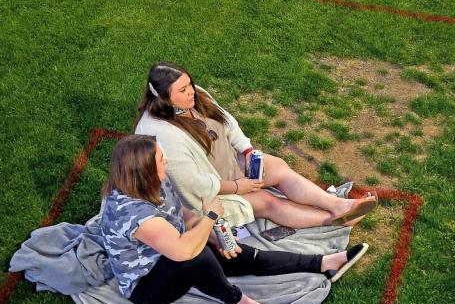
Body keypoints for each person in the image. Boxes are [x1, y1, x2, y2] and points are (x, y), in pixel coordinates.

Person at [100, 135, 369, 304]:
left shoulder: (155, 181)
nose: (166, 161)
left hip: (175, 250)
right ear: (145, 170)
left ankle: (322, 263)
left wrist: (212, 233)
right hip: (147, 285)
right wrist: (211, 217)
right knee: (195, 255)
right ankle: (238, 302)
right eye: (161, 159)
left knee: (239, 252)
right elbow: (182, 251)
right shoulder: (133, 213)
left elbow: (180, 213)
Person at [134, 62, 377, 228]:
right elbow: (192, 186)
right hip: (205, 195)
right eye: (183, 90)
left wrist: (247, 152)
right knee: (267, 202)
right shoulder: (163, 133)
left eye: (190, 85)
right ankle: (330, 220)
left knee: (279, 167)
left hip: (228, 166)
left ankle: (339, 206)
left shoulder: (197, 96)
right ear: (164, 97)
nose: (192, 93)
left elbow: (228, 123)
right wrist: (238, 187)